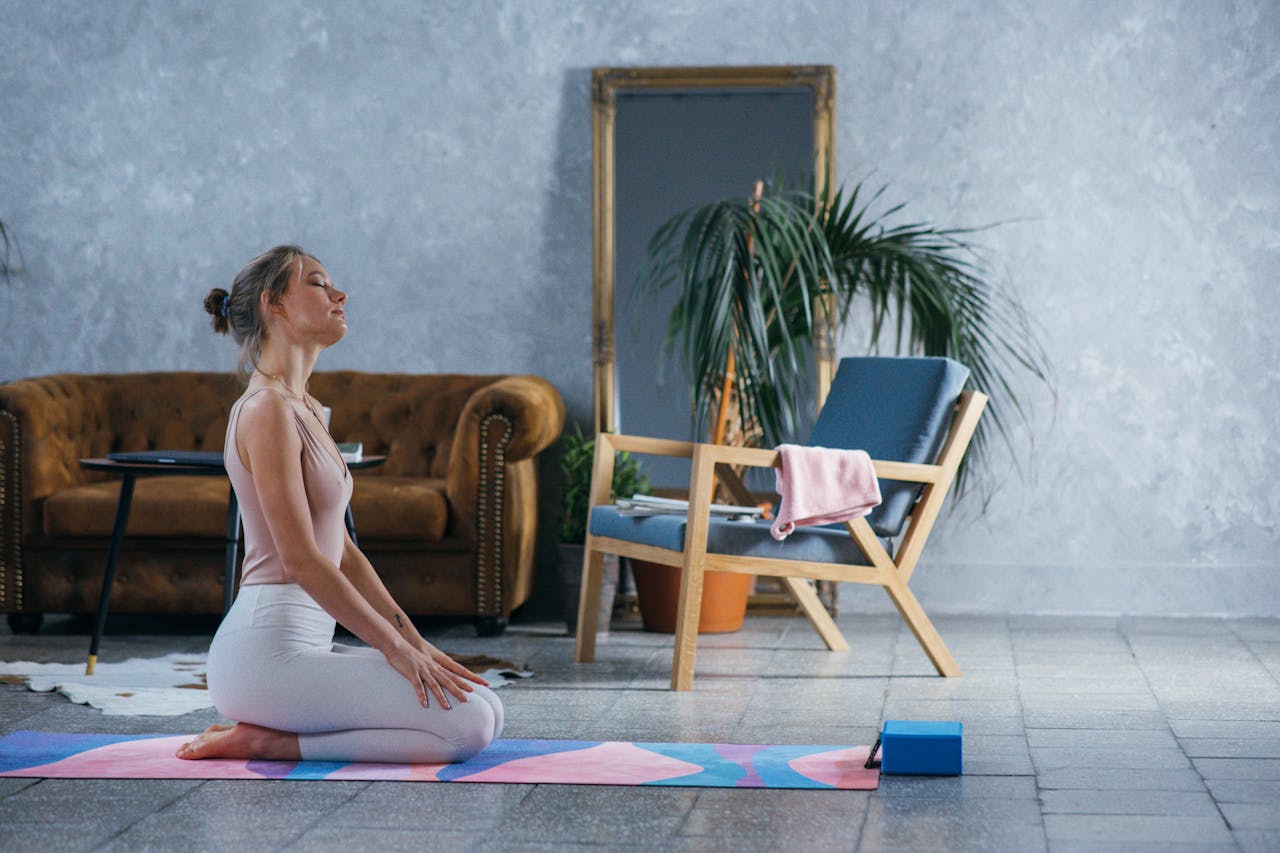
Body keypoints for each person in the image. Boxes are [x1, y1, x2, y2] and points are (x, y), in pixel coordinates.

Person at [179, 245, 502, 764]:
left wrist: (416, 644)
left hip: (305, 645)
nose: (339, 294)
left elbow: (342, 551)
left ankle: (273, 730)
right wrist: (391, 650)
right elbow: (302, 560)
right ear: (274, 305)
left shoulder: (305, 407)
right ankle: (266, 739)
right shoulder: (265, 411)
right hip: (265, 653)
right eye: (317, 283)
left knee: (483, 703)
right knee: (468, 729)